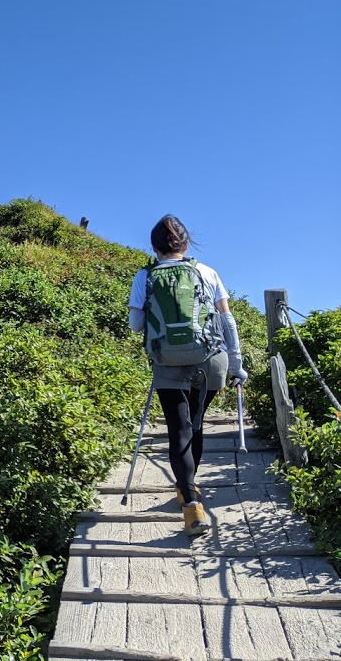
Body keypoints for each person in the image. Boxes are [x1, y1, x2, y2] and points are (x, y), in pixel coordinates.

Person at [128, 215, 248, 535]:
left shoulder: (145, 275)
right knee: (196, 423)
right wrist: (237, 366)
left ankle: (190, 501)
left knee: (178, 428)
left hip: (168, 363)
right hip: (210, 360)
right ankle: (189, 487)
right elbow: (228, 322)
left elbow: (136, 326)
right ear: (186, 243)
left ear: (154, 247)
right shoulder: (206, 272)